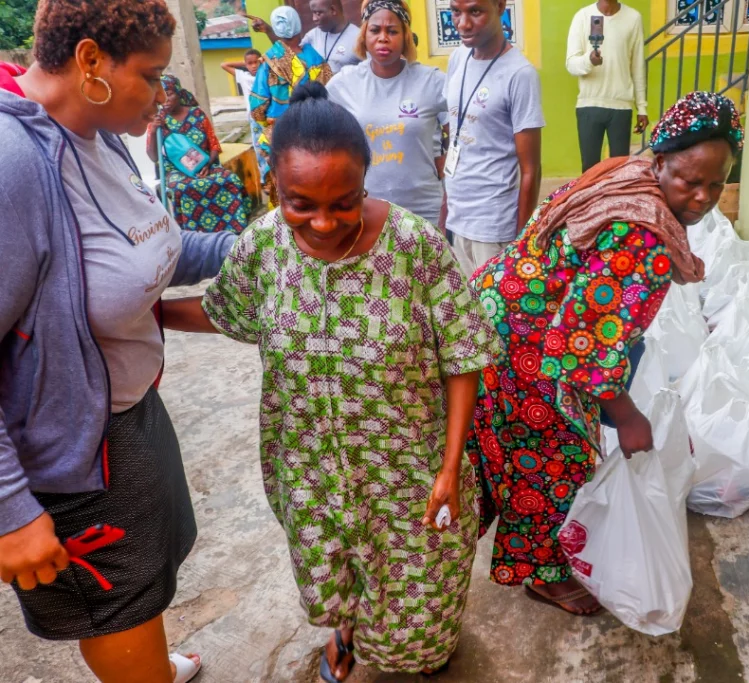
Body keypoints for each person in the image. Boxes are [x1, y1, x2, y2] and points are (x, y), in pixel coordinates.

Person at [159, 84, 501, 682]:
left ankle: (422, 651)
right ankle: (349, 631)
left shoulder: (415, 248)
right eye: (300, 203)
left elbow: (464, 358)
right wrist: (146, 314)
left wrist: (450, 468)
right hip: (310, 467)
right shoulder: (261, 246)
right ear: (273, 187)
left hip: (408, 468)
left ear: (366, 182)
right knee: (338, 570)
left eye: (344, 202)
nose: (322, 221)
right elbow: (226, 311)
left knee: (424, 585)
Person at [0, 1, 238, 681]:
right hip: (68, 451)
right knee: (115, 602)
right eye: (153, 75)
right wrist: (13, 510)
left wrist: (252, 244)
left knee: (145, 568)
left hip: (125, 411)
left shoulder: (98, 138)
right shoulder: (14, 165)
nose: (164, 96)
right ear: (90, 62)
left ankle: (151, 660)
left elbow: (147, 250)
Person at [466, 92, 743, 615]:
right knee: (554, 457)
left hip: (501, 308)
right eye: (690, 179)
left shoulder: (626, 173)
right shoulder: (641, 235)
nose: (704, 196)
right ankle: (543, 575)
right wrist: (628, 417)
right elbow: (582, 342)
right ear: (660, 161)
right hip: (526, 338)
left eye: (717, 181)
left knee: (513, 445)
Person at [443, 0, 544, 276]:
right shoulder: (458, 58)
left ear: (500, 6)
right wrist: (445, 211)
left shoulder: (519, 74)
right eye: (456, 11)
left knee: (495, 315)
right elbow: (455, 135)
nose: (462, 24)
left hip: (494, 226)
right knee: (468, 313)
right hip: (457, 217)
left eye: (475, 11)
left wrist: (521, 244)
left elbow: (531, 170)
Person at [327, 0, 448, 227]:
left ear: (405, 37)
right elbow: (321, 134)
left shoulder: (431, 81)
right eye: (375, 30)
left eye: (392, 31)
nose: (383, 38)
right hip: (368, 207)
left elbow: (463, 124)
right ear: (364, 35)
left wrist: (449, 166)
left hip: (425, 209)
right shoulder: (345, 83)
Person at [146, 75, 252, 233]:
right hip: (176, 170)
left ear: (179, 93)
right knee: (182, 188)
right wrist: (154, 130)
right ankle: (192, 234)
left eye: (170, 93)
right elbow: (153, 157)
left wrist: (208, 164)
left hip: (206, 165)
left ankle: (234, 230)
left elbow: (214, 144)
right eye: (162, 94)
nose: (166, 99)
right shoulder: (158, 121)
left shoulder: (197, 114)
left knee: (230, 180)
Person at [249, 6, 333, 205]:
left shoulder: (269, 63)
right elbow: (330, 93)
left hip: (281, 135)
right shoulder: (317, 60)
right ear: (299, 27)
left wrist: (267, 122)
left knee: (285, 189)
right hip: (316, 132)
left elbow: (257, 106)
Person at [566, 0, 648, 173]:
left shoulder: (633, 18)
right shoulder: (582, 17)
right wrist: (589, 60)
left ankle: (617, 201)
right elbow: (571, 64)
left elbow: (638, 65)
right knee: (590, 171)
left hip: (621, 106)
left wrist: (642, 108)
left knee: (620, 171)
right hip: (589, 105)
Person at [250, 0, 361, 73]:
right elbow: (290, 54)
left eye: (318, 13)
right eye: (313, 13)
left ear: (333, 10)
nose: (314, 18)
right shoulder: (314, 35)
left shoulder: (359, 39)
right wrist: (268, 30)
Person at [220, 48, 264, 155]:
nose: (254, 66)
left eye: (256, 62)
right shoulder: (244, 77)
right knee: (259, 147)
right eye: (250, 63)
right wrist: (245, 63)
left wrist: (263, 60)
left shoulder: (266, 74)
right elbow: (224, 65)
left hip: (268, 115)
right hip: (254, 117)